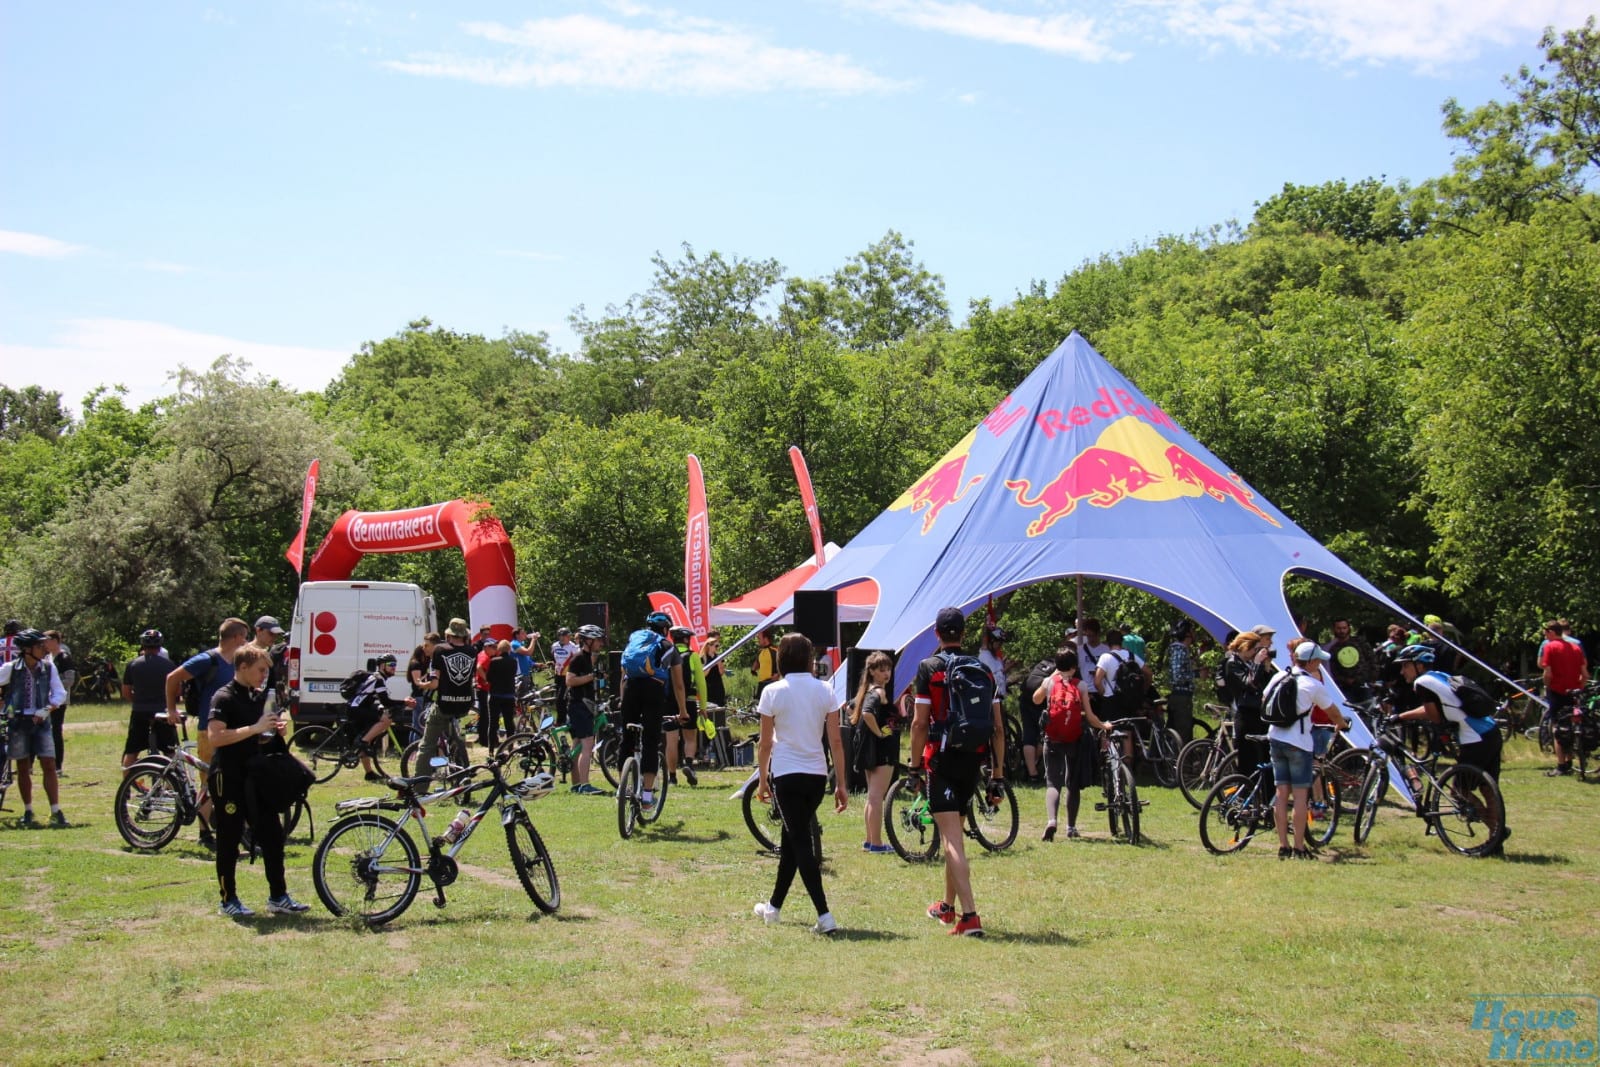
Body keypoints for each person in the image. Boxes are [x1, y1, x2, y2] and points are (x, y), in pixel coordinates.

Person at [910, 607, 1005, 938]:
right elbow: (998, 729)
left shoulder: (929, 668)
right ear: (963, 634)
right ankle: (948, 907)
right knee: (956, 835)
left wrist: (913, 765)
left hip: (942, 759)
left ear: (937, 633)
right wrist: (998, 774)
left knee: (951, 839)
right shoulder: (984, 669)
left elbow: (920, 722)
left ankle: (970, 917)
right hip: (973, 761)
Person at [752, 633, 849, 935]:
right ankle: (773, 907)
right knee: (793, 842)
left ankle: (824, 914)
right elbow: (835, 740)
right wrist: (841, 783)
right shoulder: (825, 689)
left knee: (800, 843)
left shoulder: (772, 691)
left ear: (781, 657)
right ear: (809, 658)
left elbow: (766, 743)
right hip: (816, 776)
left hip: (786, 775)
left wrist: (762, 778)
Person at [207, 644, 309, 917]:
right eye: (260, 670)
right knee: (229, 838)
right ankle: (228, 899)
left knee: (273, 835)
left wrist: (274, 731)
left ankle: (278, 896)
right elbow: (215, 737)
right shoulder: (224, 697)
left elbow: (261, 737)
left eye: (266, 670)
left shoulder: (258, 697)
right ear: (243, 667)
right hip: (228, 775)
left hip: (256, 775)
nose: (265, 675)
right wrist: (254, 728)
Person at [1391, 645, 1509, 852]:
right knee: (1487, 788)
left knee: (1459, 791)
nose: (1402, 672)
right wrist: (1402, 716)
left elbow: (1434, 715)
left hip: (1474, 738)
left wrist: (1403, 718)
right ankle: (1495, 841)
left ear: (1419, 665)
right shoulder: (1439, 676)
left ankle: (1497, 830)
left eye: (1405, 666)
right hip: (1490, 731)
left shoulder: (1422, 683)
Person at [166, 617, 251, 829]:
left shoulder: (238, 662)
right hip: (209, 730)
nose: (247, 641)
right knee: (210, 782)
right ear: (236, 637)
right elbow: (172, 678)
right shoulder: (208, 660)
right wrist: (171, 709)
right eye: (245, 637)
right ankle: (204, 832)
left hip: (233, 730)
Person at [1268, 640, 1348, 859]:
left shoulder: (1279, 676)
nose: (1320, 664)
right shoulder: (1312, 684)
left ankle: (1282, 845)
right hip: (1298, 743)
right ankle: (1299, 848)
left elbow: (1265, 699)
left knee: (1281, 794)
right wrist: (1341, 724)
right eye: (1318, 660)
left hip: (1275, 738)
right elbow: (1332, 711)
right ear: (1311, 661)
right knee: (1301, 796)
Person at [1034, 647, 1112, 841]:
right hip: (1074, 739)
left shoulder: (1049, 682)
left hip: (1052, 738)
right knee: (1072, 784)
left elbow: (1036, 699)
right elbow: (1091, 716)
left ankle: (1052, 820)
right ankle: (1071, 827)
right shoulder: (1081, 686)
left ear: (1056, 665)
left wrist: (1052, 677)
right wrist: (1104, 725)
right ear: (1075, 666)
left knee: (1053, 781)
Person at [617, 612, 687, 810]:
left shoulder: (634, 640)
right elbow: (679, 685)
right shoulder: (668, 647)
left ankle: (622, 789)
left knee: (627, 738)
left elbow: (624, 674)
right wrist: (682, 711)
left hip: (631, 689)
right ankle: (647, 796)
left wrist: (623, 701)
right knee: (650, 741)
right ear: (666, 629)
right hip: (653, 691)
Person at [0, 629, 69, 827]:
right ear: (27, 649)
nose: (44, 648)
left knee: (48, 763)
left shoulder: (48, 667)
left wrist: (47, 709)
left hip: (41, 720)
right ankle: (28, 810)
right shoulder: (11, 668)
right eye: (39, 645)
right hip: (19, 722)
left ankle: (56, 810)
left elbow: (60, 693)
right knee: (23, 767)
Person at [851, 650, 900, 853]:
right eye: (881, 670)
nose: (886, 673)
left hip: (869, 749)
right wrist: (880, 733)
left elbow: (851, 709)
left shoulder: (867, 690)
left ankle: (870, 841)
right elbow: (866, 713)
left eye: (888, 668)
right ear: (872, 671)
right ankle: (877, 844)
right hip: (882, 750)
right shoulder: (878, 692)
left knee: (872, 796)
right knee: (876, 796)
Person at [418, 618, 477, 773]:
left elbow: (435, 683)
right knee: (458, 742)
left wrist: (422, 685)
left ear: (449, 634)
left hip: (444, 704)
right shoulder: (472, 652)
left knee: (427, 746)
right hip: (464, 704)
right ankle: (462, 776)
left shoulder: (440, 650)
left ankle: (419, 786)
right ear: (465, 635)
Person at [346, 654, 414, 782]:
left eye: (395, 665)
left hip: (358, 709)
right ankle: (363, 742)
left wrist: (381, 707)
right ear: (382, 666)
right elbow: (387, 701)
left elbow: (376, 699)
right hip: (357, 710)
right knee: (386, 720)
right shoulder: (378, 679)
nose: (394, 668)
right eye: (391, 665)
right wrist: (404, 702)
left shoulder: (376, 678)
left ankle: (369, 773)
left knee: (367, 738)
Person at [122, 629, 179, 774]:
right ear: (160, 646)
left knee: (131, 751)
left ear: (142, 645)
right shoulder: (168, 665)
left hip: (140, 710)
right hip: (163, 711)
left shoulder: (133, 665)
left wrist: (137, 700)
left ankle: (126, 787)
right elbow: (177, 691)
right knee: (171, 751)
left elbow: (126, 692)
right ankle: (177, 784)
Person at [1538, 619, 1590, 777]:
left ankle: (1562, 764)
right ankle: (1571, 759)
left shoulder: (1550, 647)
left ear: (1552, 632)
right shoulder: (1575, 647)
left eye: (1546, 632)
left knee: (1557, 727)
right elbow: (1585, 674)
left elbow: (1548, 672)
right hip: (1575, 692)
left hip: (1557, 691)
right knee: (1573, 723)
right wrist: (1579, 688)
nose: (1545, 635)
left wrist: (1547, 686)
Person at [1223, 628, 1275, 779]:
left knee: (1265, 758)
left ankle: (1266, 797)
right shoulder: (1232, 663)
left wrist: (1266, 668)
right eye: (1254, 649)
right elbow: (1249, 684)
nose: (1255, 653)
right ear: (1245, 647)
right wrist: (1258, 664)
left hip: (1260, 714)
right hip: (1246, 715)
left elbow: (1265, 686)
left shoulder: (1251, 663)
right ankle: (1246, 795)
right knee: (1248, 760)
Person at [563, 624, 608, 795]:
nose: (600, 643)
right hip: (579, 706)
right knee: (587, 745)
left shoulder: (588, 658)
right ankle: (585, 785)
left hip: (582, 705)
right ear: (588, 641)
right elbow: (570, 680)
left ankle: (576, 784)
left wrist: (597, 677)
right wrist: (591, 677)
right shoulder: (578, 658)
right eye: (597, 640)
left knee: (577, 746)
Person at [666, 627, 704, 784]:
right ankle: (689, 764)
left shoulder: (666, 655)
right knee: (690, 737)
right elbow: (701, 683)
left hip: (669, 700)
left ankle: (672, 777)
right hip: (688, 700)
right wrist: (703, 706)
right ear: (687, 640)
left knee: (671, 740)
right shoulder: (693, 656)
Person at [1018, 654, 1055, 782]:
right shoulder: (1061, 668)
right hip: (1040, 701)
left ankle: (1031, 772)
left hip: (1025, 699)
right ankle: (1033, 764)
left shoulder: (1043, 662)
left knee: (1028, 734)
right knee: (1043, 735)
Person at [42, 630, 74, 773]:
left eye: (47, 640)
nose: (45, 643)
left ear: (55, 641)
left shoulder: (64, 657)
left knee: (56, 730)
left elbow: (70, 680)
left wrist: (53, 683)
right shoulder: (47, 657)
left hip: (59, 701)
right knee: (45, 730)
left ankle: (58, 766)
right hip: (46, 699)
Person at [479, 639, 517, 753]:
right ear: (509, 649)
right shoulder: (513, 661)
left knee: (493, 723)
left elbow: (489, 678)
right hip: (509, 695)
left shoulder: (494, 661)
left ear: (499, 650)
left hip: (495, 695)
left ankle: (491, 749)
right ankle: (510, 747)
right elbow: (513, 674)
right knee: (509, 722)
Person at [1322, 619, 1375, 700]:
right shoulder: (1330, 648)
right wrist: (1345, 680)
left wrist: (1371, 678)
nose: (1342, 631)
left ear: (1348, 628)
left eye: (1344, 628)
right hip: (1343, 689)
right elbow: (1330, 669)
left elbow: (1372, 660)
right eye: (1339, 628)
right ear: (1334, 629)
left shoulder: (1360, 642)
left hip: (1364, 684)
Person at [1166, 620, 1198, 744]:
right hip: (1181, 697)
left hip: (1182, 696)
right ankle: (1181, 761)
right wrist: (1197, 674)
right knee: (1183, 733)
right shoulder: (1180, 649)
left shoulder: (1182, 649)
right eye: (1193, 630)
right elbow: (1177, 675)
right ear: (1188, 633)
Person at [406, 633, 439, 745]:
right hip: (418, 695)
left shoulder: (426, 663)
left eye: (426, 646)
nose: (425, 649)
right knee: (418, 725)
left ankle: (412, 747)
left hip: (421, 695)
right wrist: (427, 676)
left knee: (416, 723)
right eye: (423, 647)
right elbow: (417, 681)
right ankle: (414, 747)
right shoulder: (415, 664)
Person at [251, 615, 288, 710]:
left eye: (277, 634)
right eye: (271, 633)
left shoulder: (269, 653)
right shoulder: (246, 653)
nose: (275, 637)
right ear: (258, 630)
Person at [550, 627, 576, 725]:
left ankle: (561, 721)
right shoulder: (554, 646)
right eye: (562, 636)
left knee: (561, 698)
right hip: (558, 675)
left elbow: (576, 660)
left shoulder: (572, 647)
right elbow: (553, 657)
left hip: (567, 676)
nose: (564, 638)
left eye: (566, 636)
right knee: (558, 698)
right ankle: (563, 719)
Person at [751, 628, 780, 702]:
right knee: (760, 708)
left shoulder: (775, 650)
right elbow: (757, 662)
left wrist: (778, 674)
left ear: (765, 638)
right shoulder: (761, 651)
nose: (758, 640)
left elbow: (784, 663)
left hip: (771, 682)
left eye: (759, 638)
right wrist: (753, 669)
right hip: (761, 684)